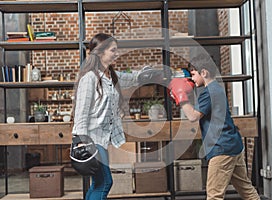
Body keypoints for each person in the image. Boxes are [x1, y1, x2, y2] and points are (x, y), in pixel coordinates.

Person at [71, 33, 162, 200]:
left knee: (98, 183)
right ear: (100, 53)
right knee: (105, 182)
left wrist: (149, 73)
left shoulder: (111, 76)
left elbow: (132, 78)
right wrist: (83, 143)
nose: (116, 53)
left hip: (102, 139)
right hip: (91, 139)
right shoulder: (89, 78)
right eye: (113, 50)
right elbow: (81, 114)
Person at [168, 53, 260, 200]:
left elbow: (192, 116)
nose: (192, 78)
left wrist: (181, 96)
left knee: (214, 196)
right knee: (247, 190)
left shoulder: (208, 92)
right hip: (233, 146)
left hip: (221, 148)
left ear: (204, 72)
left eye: (193, 74)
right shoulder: (217, 88)